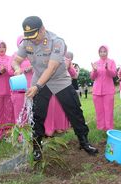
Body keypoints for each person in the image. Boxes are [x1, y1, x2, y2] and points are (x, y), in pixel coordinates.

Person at [11, 16, 98, 161]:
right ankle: (37, 146)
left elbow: (51, 68)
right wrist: (17, 68)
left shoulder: (57, 42)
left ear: (42, 29)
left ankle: (84, 142)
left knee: (74, 110)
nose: (33, 40)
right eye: (30, 37)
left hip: (59, 80)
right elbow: (16, 60)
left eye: (35, 35)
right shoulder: (26, 42)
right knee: (37, 114)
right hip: (39, 79)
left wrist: (37, 86)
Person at [90, 45, 117, 131]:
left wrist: (107, 69)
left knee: (108, 110)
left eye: (104, 51)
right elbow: (92, 77)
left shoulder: (111, 61)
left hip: (108, 90)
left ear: (107, 52)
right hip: (97, 90)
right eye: (100, 51)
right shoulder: (96, 63)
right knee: (99, 110)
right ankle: (100, 127)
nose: (102, 53)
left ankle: (109, 127)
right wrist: (94, 70)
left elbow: (114, 74)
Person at [11, 36, 33, 124]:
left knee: (31, 112)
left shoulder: (32, 55)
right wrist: (24, 70)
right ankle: (20, 136)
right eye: (21, 42)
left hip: (32, 88)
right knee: (20, 113)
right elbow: (10, 70)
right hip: (20, 89)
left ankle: (30, 134)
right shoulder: (15, 55)